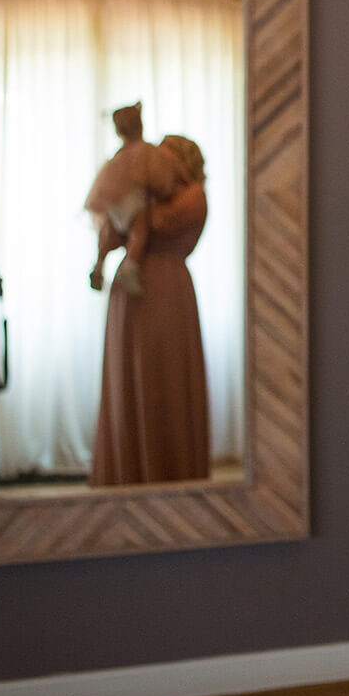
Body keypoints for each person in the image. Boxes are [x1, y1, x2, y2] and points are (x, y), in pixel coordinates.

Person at [90, 134, 213, 486]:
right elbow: (114, 233)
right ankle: (125, 468)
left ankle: (172, 468)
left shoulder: (193, 196)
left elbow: (157, 222)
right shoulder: (138, 195)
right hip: (127, 295)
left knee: (166, 375)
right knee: (128, 371)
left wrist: (133, 207)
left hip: (168, 289)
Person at [85, 101, 185, 297]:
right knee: (139, 232)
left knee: (109, 234)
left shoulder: (119, 155)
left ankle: (99, 263)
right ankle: (131, 266)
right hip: (133, 202)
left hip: (115, 205)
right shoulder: (145, 150)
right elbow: (159, 179)